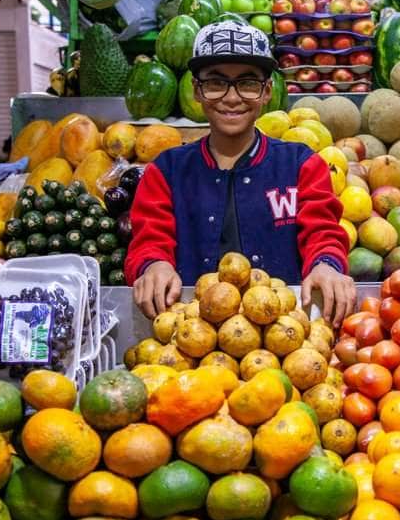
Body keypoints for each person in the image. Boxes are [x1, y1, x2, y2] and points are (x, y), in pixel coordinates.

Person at [124, 20, 355, 325]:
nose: (231, 97)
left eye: (247, 83)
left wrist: (326, 265)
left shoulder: (301, 165)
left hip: (285, 335)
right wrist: (152, 265)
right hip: (189, 335)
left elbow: (323, 233)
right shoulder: (166, 171)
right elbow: (149, 240)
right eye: (216, 83)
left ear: (266, 92)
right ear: (197, 90)